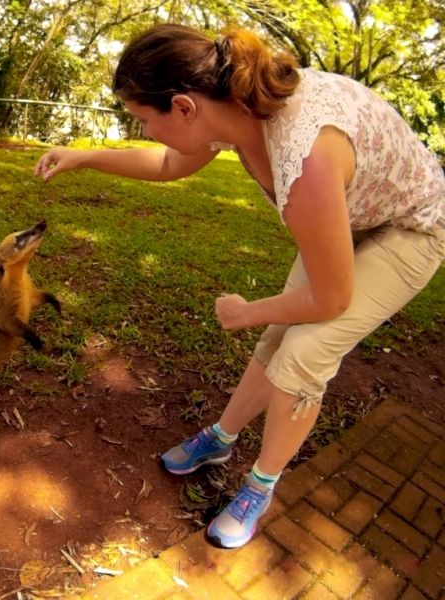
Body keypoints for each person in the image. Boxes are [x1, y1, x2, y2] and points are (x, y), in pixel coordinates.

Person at [33, 24, 445, 549]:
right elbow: (166, 163)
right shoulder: (229, 108)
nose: (145, 133)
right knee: (279, 336)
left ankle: (259, 486)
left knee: (304, 349)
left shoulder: (305, 155)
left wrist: (245, 310)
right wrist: (82, 156)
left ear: (183, 107)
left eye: (143, 120)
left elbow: (331, 298)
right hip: (357, 205)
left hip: (413, 228)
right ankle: (220, 440)